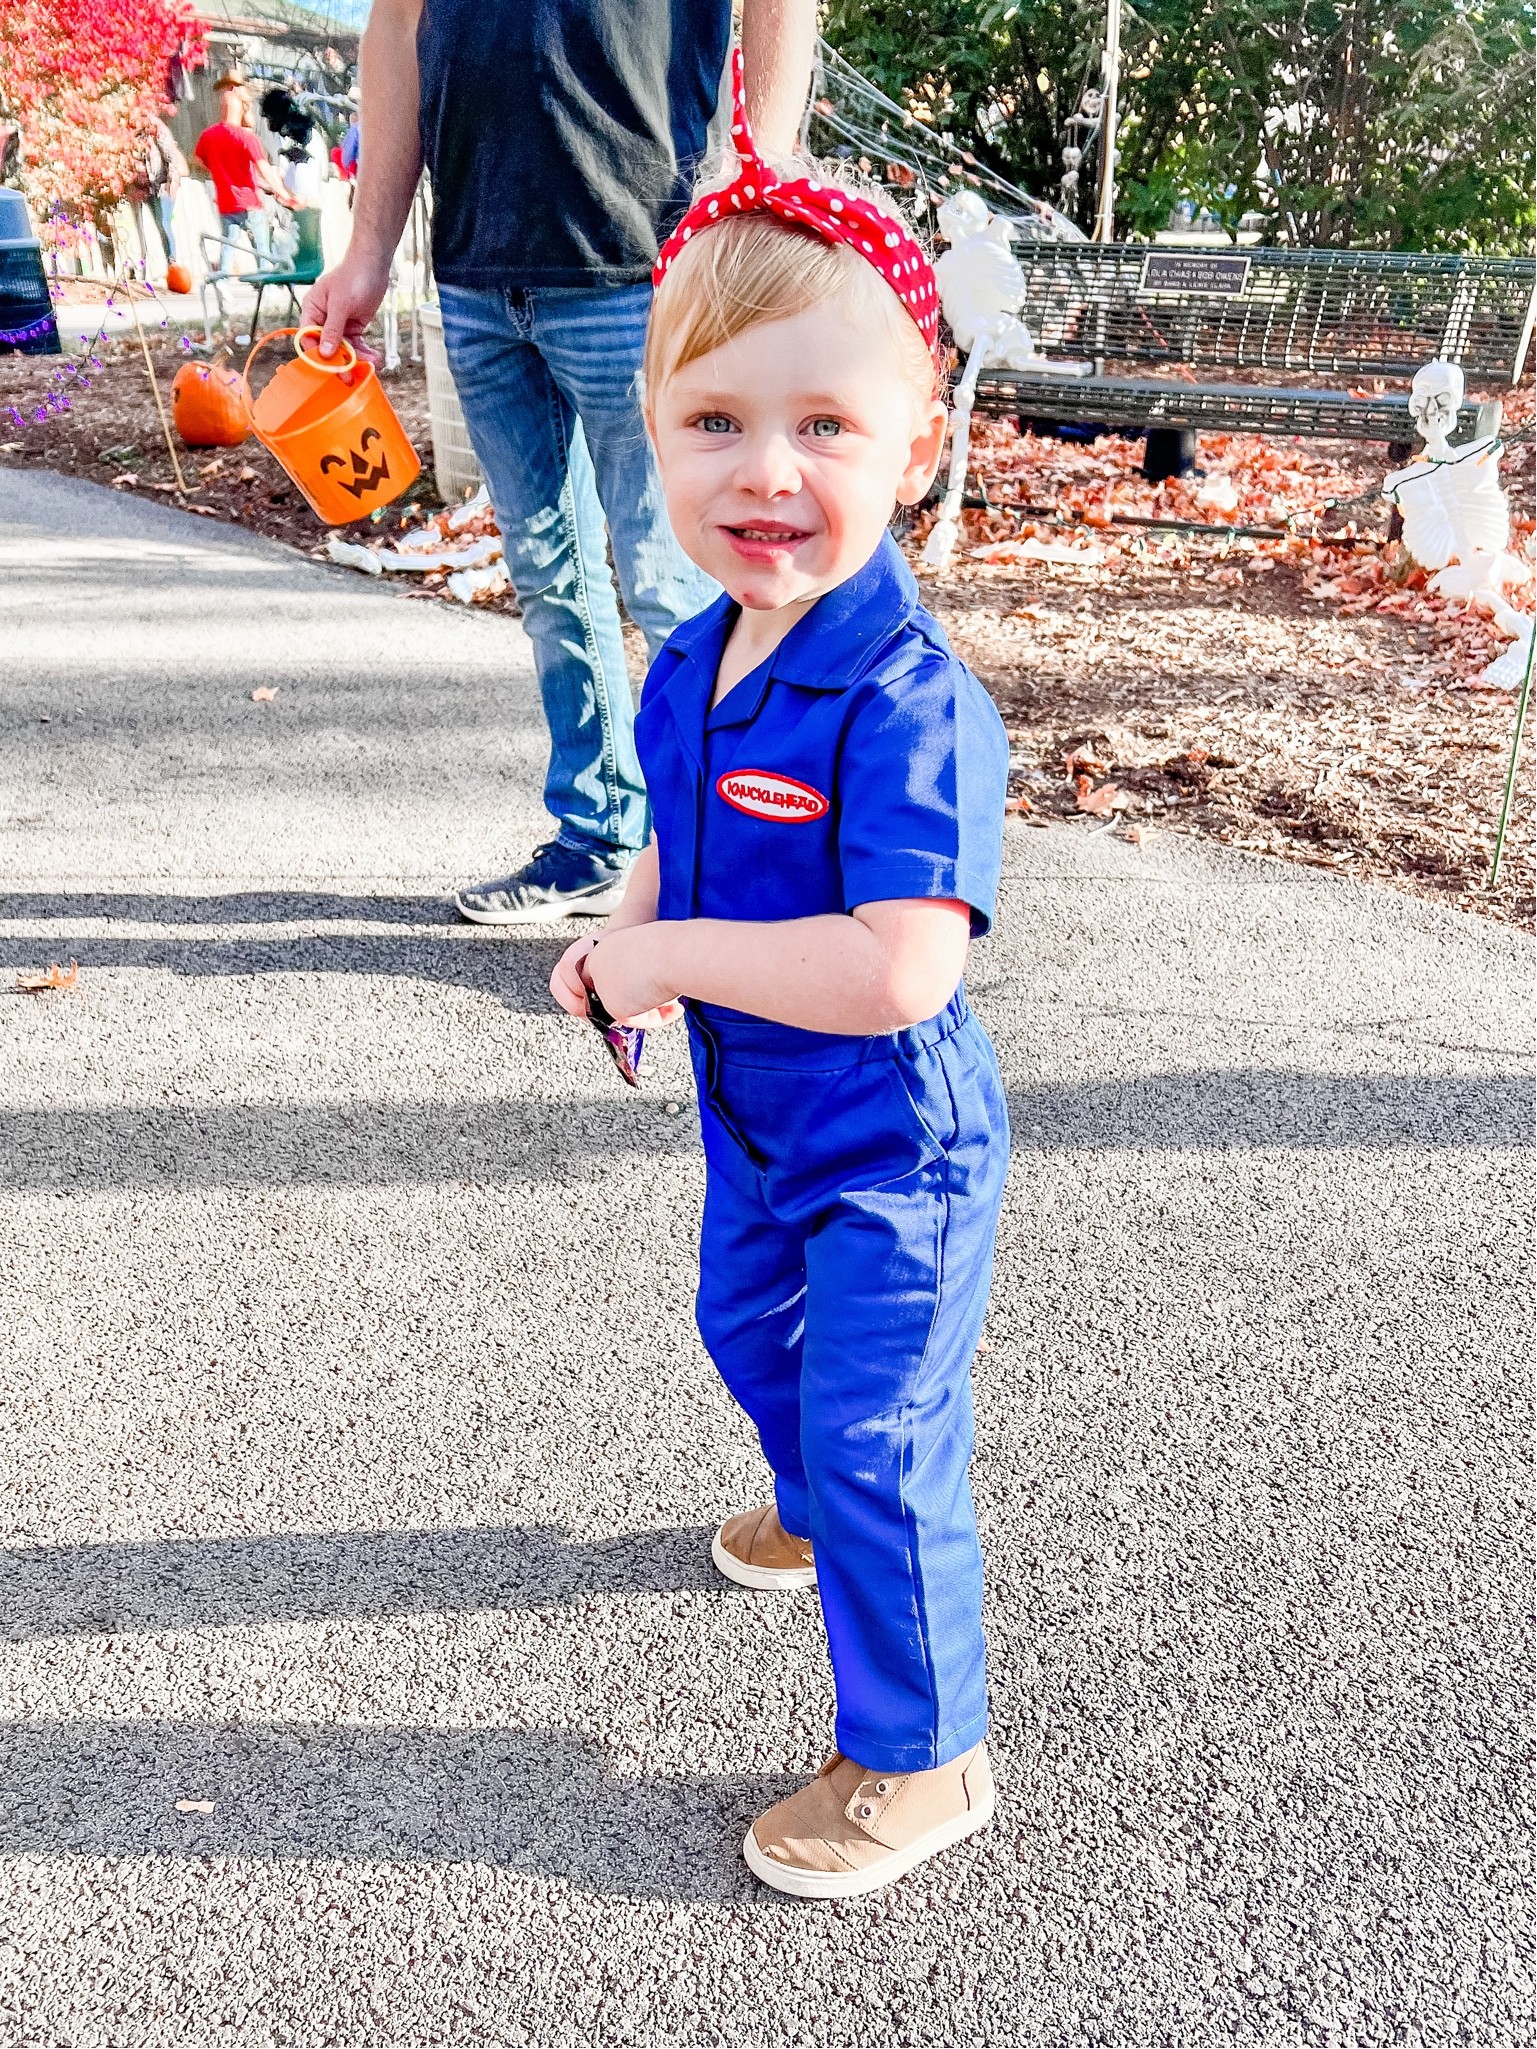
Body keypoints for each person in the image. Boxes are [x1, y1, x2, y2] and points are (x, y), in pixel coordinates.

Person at [550, 58, 1011, 1898]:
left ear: (915, 436)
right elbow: (674, 828)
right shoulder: (691, 657)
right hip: (756, 1114)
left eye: (825, 423)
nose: (766, 470)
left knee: (879, 1425)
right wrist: (635, 939)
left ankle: (922, 1754)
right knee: (744, 1334)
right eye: (715, 421)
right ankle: (815, 1506)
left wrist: (664, 948)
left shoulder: (909, 701)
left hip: (894, 1143)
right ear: (651, 433)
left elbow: (898, 968)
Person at [303, 0, 816, 925]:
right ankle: (599, 837)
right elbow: (395, 27)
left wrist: (757, 175)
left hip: (642, 258)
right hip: (476, 269)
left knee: (674, 582)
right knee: (551, 576)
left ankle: (737, 869)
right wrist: (369, 249)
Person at [194, 74, 297, 273]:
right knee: (262, 250)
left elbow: (198, 161)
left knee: (228, 247)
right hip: (250, 203)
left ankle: (221, 285)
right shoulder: (246, 138)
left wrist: (219, 171)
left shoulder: (208, 136)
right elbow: (264, 169)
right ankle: (265, 287)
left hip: (226, 203)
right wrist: (284, 194)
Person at [140, 114, 188, 270]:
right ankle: (168, 261)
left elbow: (171, 157)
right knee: (159, 225)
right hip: (149, 188)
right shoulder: (137, 135)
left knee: (165, 222)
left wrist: (172, 180)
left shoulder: (158, 131)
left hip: (163, 185)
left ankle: (172, 260)